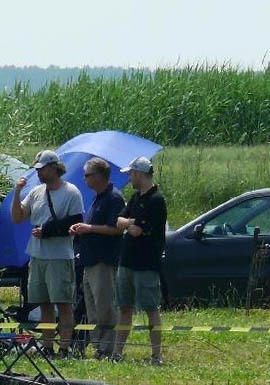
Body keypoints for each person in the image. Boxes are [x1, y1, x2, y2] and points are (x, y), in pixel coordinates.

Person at [10, 149, 84, 356]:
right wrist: (17, 192)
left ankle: (65, 347)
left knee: (63, 303)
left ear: (54, 168)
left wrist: (48, 231)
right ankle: (48, 345)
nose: (40, 174)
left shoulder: (71, 192)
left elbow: (76, 221)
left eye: (43, 169)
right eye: (38, 170)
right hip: (37, 255)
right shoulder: (35, 192)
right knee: (44, 303)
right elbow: (18, 217)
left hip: (59, 256)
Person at [111, 156, 167, 365]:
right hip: (126, 261)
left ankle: (156, 355)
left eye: (131, 173)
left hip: (146, 264)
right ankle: (117, 352)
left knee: (151, 309)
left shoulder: (156, 200)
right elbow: (119, 221)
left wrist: (130, 224)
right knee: (124, 307)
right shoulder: (135, 198)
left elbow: (136, 231)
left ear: (140, 174)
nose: (129, 177)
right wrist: (130, 223)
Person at [69, 157, 125, 358]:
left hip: (104, 260)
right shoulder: (97, 197)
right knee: (92, 308)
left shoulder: (114, 198)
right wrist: (81, 230)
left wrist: (89, 228)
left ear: (99, 176)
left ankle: (108, 347)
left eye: (87, 175)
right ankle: (98, 346)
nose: (84, 179)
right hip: (88, 260)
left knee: (105, 306)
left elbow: (115, 229)